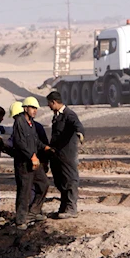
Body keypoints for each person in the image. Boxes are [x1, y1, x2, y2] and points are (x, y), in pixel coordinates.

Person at [12, 97, 52, 230]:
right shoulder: (19, 122)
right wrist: (31, 156)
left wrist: (44, 147)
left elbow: (35, 141)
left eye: (36, 109)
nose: (35, 111)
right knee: (25, 191)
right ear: (25, 108)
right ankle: (21, 220)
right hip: (24, 164)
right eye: (32, 108)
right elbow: (19, 143)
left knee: (44, 184)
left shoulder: (32, 124)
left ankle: (34, 212)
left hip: (35, 162)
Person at [46, 91, 85, 219]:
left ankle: (71, 208)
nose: (49, 107)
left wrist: (80, 133)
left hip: (67, 155)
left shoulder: (69, 114)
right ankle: (63, 207)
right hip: (57, 155)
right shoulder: (57, 116)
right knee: (60, 181)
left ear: (54, 102)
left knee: (70, 179)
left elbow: (77, 125)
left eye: (49, 104)